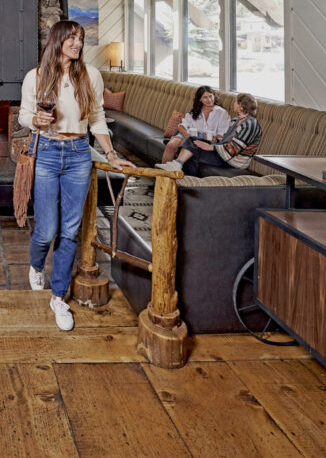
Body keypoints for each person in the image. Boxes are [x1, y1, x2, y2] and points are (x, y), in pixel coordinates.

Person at [20, 20, 130, 332]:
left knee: (69, 229)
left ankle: (58, 297)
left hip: (79, 153)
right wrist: (37, 120)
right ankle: (37, 263)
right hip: (47, 152)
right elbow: (24, 115)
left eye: (80, 38)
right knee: (46, 229)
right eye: (71, 38)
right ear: (57, 40)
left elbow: (96, 119)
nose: (77, 44)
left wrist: (110, 154)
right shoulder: (36, 76)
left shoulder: (91, 75)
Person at [156, 93, 262, 176]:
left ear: (241, 106)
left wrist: (210, 147)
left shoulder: (250, 125)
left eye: (236, 102)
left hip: (234, 161)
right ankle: (177, 166)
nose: (233, 103)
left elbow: (233, 149)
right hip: (223, 153)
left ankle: (184, 182)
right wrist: (215, 140)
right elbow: (225, 140)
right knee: (193, 140)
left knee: (193, 153)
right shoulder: (236, 120)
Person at [162, 85, 230, 163]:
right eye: (205, 97)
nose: (209, 100)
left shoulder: (222, 113)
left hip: (206, 139)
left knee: (187, 144)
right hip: (189, 135)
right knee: (171, 145)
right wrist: (187, 135)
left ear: (214, 96)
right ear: (200, 99)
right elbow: (181, 126)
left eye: (211, 96)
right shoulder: (195, 111)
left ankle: (174, 167)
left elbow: (222, 133)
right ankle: (163, 172)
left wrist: (215, 138)